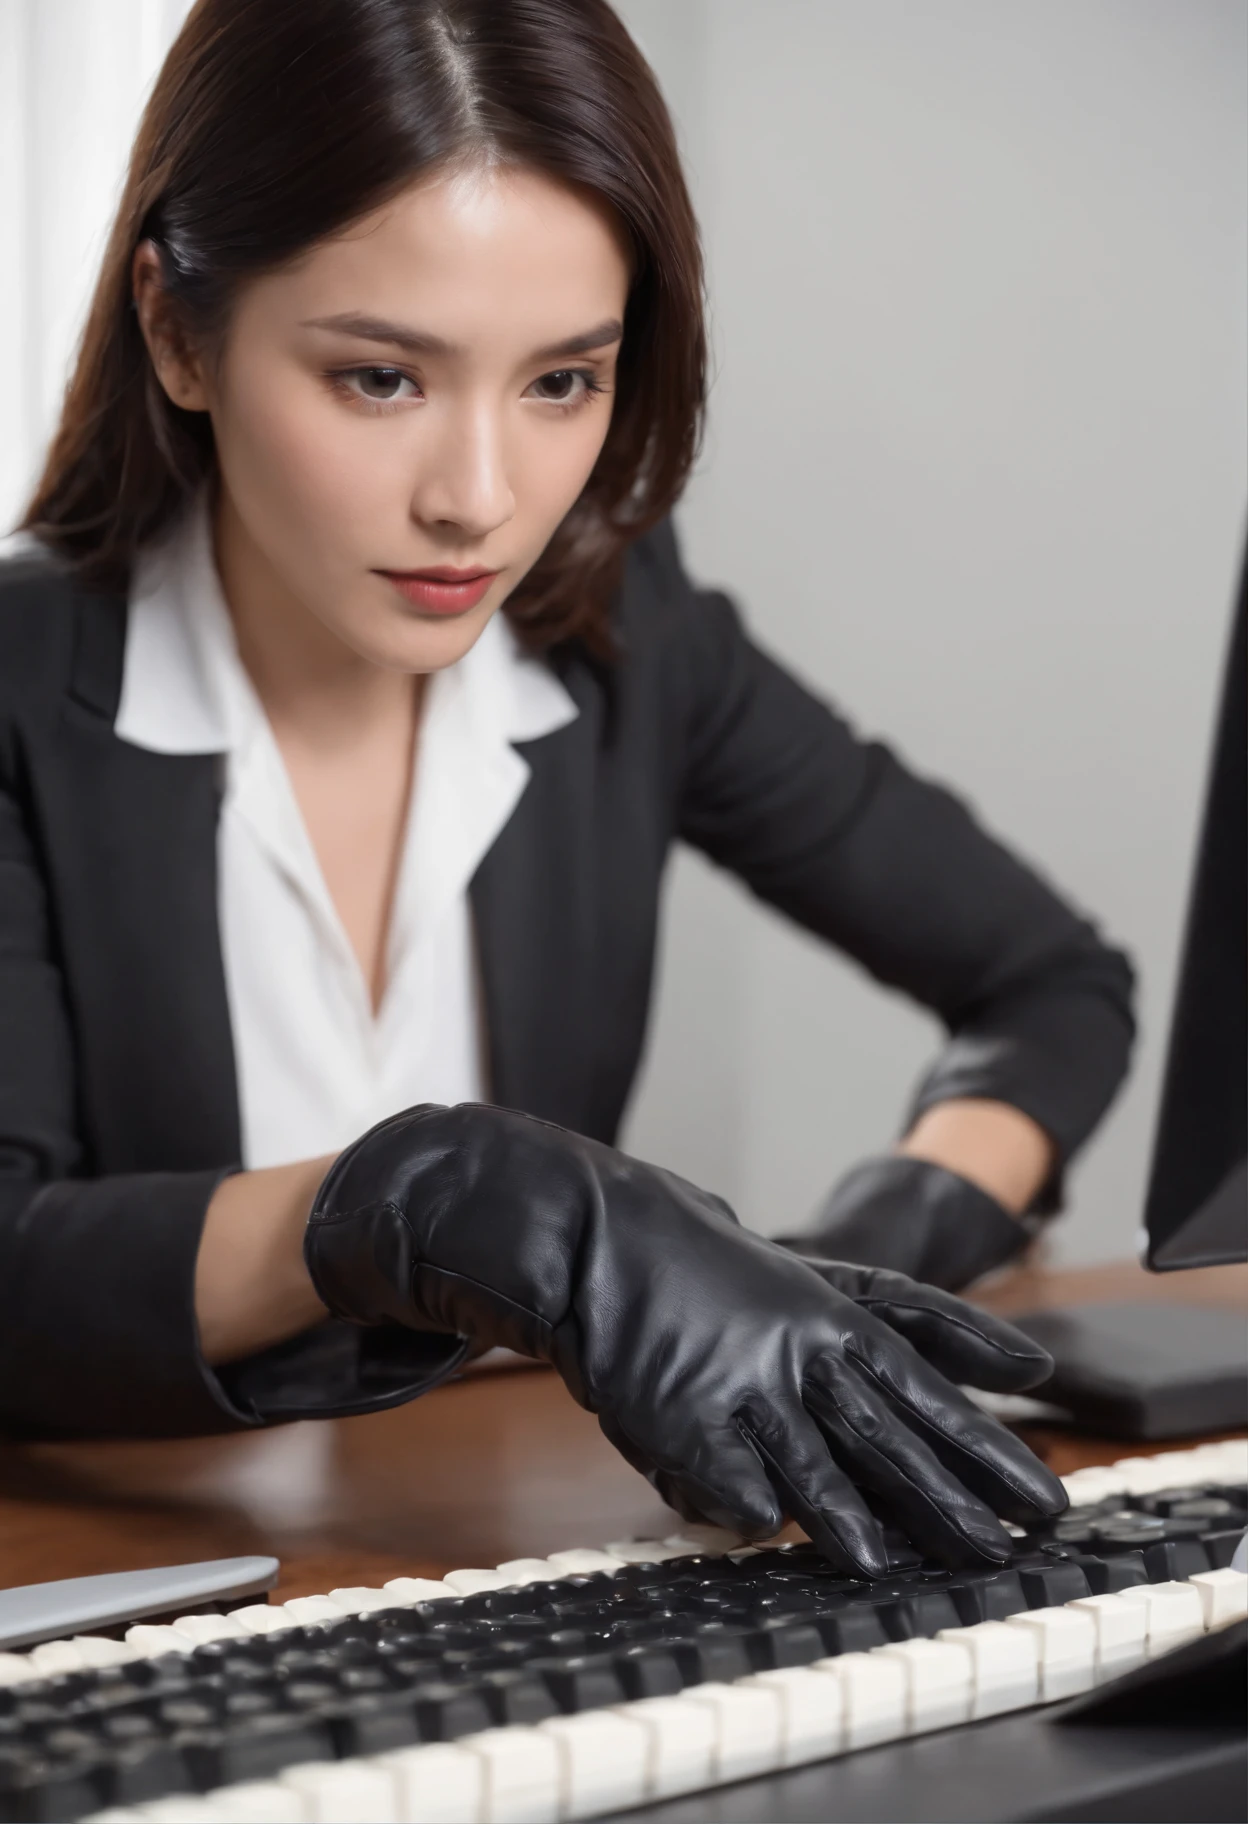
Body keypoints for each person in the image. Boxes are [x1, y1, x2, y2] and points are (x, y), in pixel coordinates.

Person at [0, 0, 1131, 1572]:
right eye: (382, 378)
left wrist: (867, 1257)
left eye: (561, 383)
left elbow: (1051, 985)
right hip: (116, 1596)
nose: (480, 499)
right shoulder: (20, 689)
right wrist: (424, 1202)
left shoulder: (622, 641)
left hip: (501, 1556)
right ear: (180, 333)